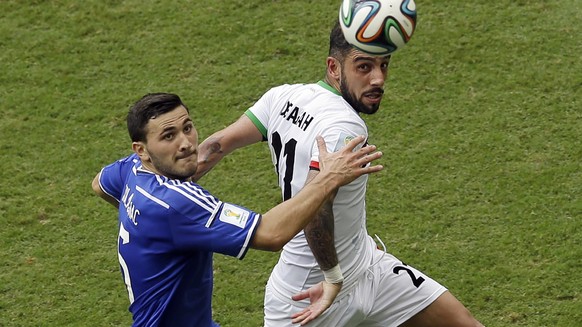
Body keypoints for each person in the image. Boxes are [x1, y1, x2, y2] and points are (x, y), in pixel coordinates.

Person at [194, 21, 485, 327]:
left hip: (368, 269)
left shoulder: (281, 97)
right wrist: (333, 277)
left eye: (383, 65)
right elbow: (316, 207)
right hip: (309, 295)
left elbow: (216, 146)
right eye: (363, 67)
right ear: (334, 67)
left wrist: (164, 183)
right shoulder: (344, 125)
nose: (378, 79)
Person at [91, 92, 384, 327]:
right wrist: (329, 177)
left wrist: (146, 223)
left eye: (187, 128)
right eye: (168, 136)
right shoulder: (175, 204)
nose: (186, 143)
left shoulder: (131, 171)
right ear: (141, 149)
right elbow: (271, 234)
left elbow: (99, 185)